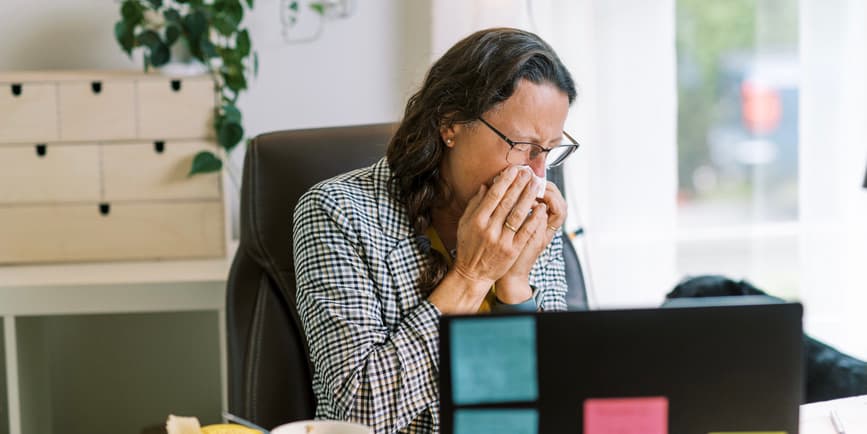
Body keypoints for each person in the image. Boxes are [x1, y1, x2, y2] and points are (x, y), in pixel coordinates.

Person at [292, 28, 579, 433]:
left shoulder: (532, 217)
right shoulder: (337, 212)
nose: (537, 173)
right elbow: (356, 415)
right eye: (523, 145)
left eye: (549, 150)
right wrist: (473, 277)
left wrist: (514, 287)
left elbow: (554, 405)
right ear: (450, 123)